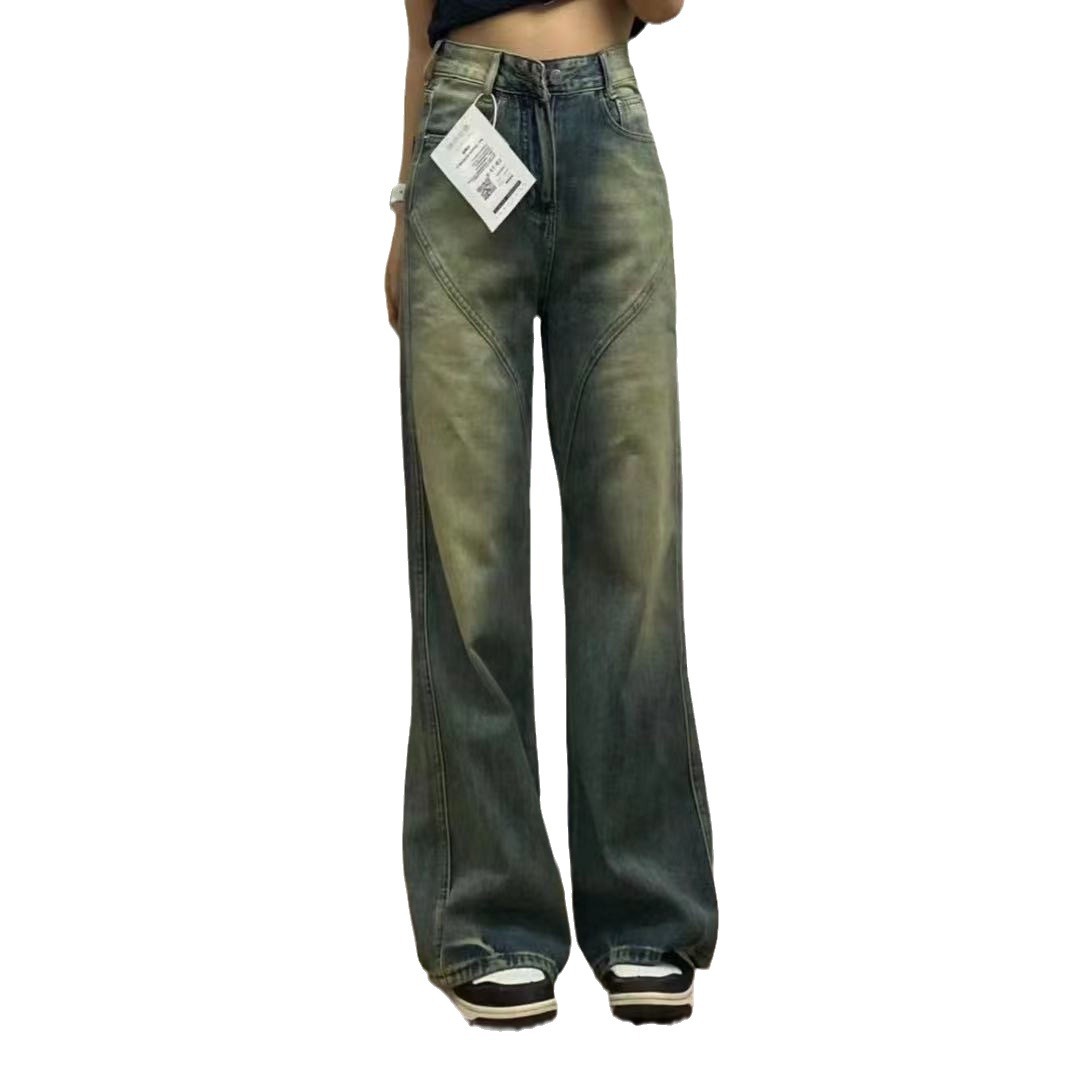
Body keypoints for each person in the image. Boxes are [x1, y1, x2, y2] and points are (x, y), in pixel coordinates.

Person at [385, 0, 717, 1027]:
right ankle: (489, 920)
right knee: (466, 545)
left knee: (634, 539)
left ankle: (645, 913)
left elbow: (662, 3)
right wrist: (400, 207)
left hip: (605, 124)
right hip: (462, 124)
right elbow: (419, 30)